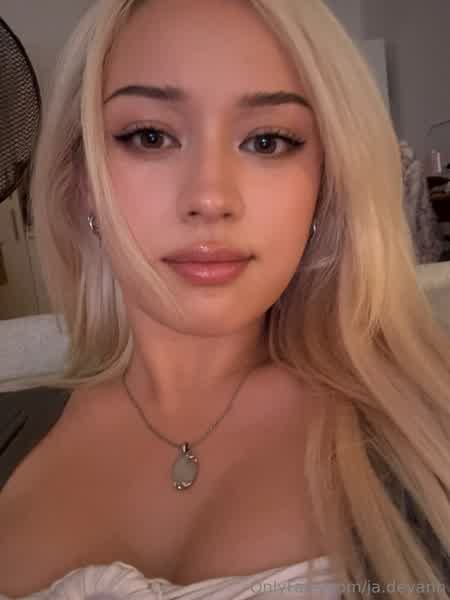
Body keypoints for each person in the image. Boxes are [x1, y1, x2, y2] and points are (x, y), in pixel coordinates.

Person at [0, 0, 449, 598]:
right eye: (150, 136)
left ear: (326, 183)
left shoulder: (428, 429)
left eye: (267, 141)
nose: (210, 198)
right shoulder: (13, 429)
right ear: (83, 180)